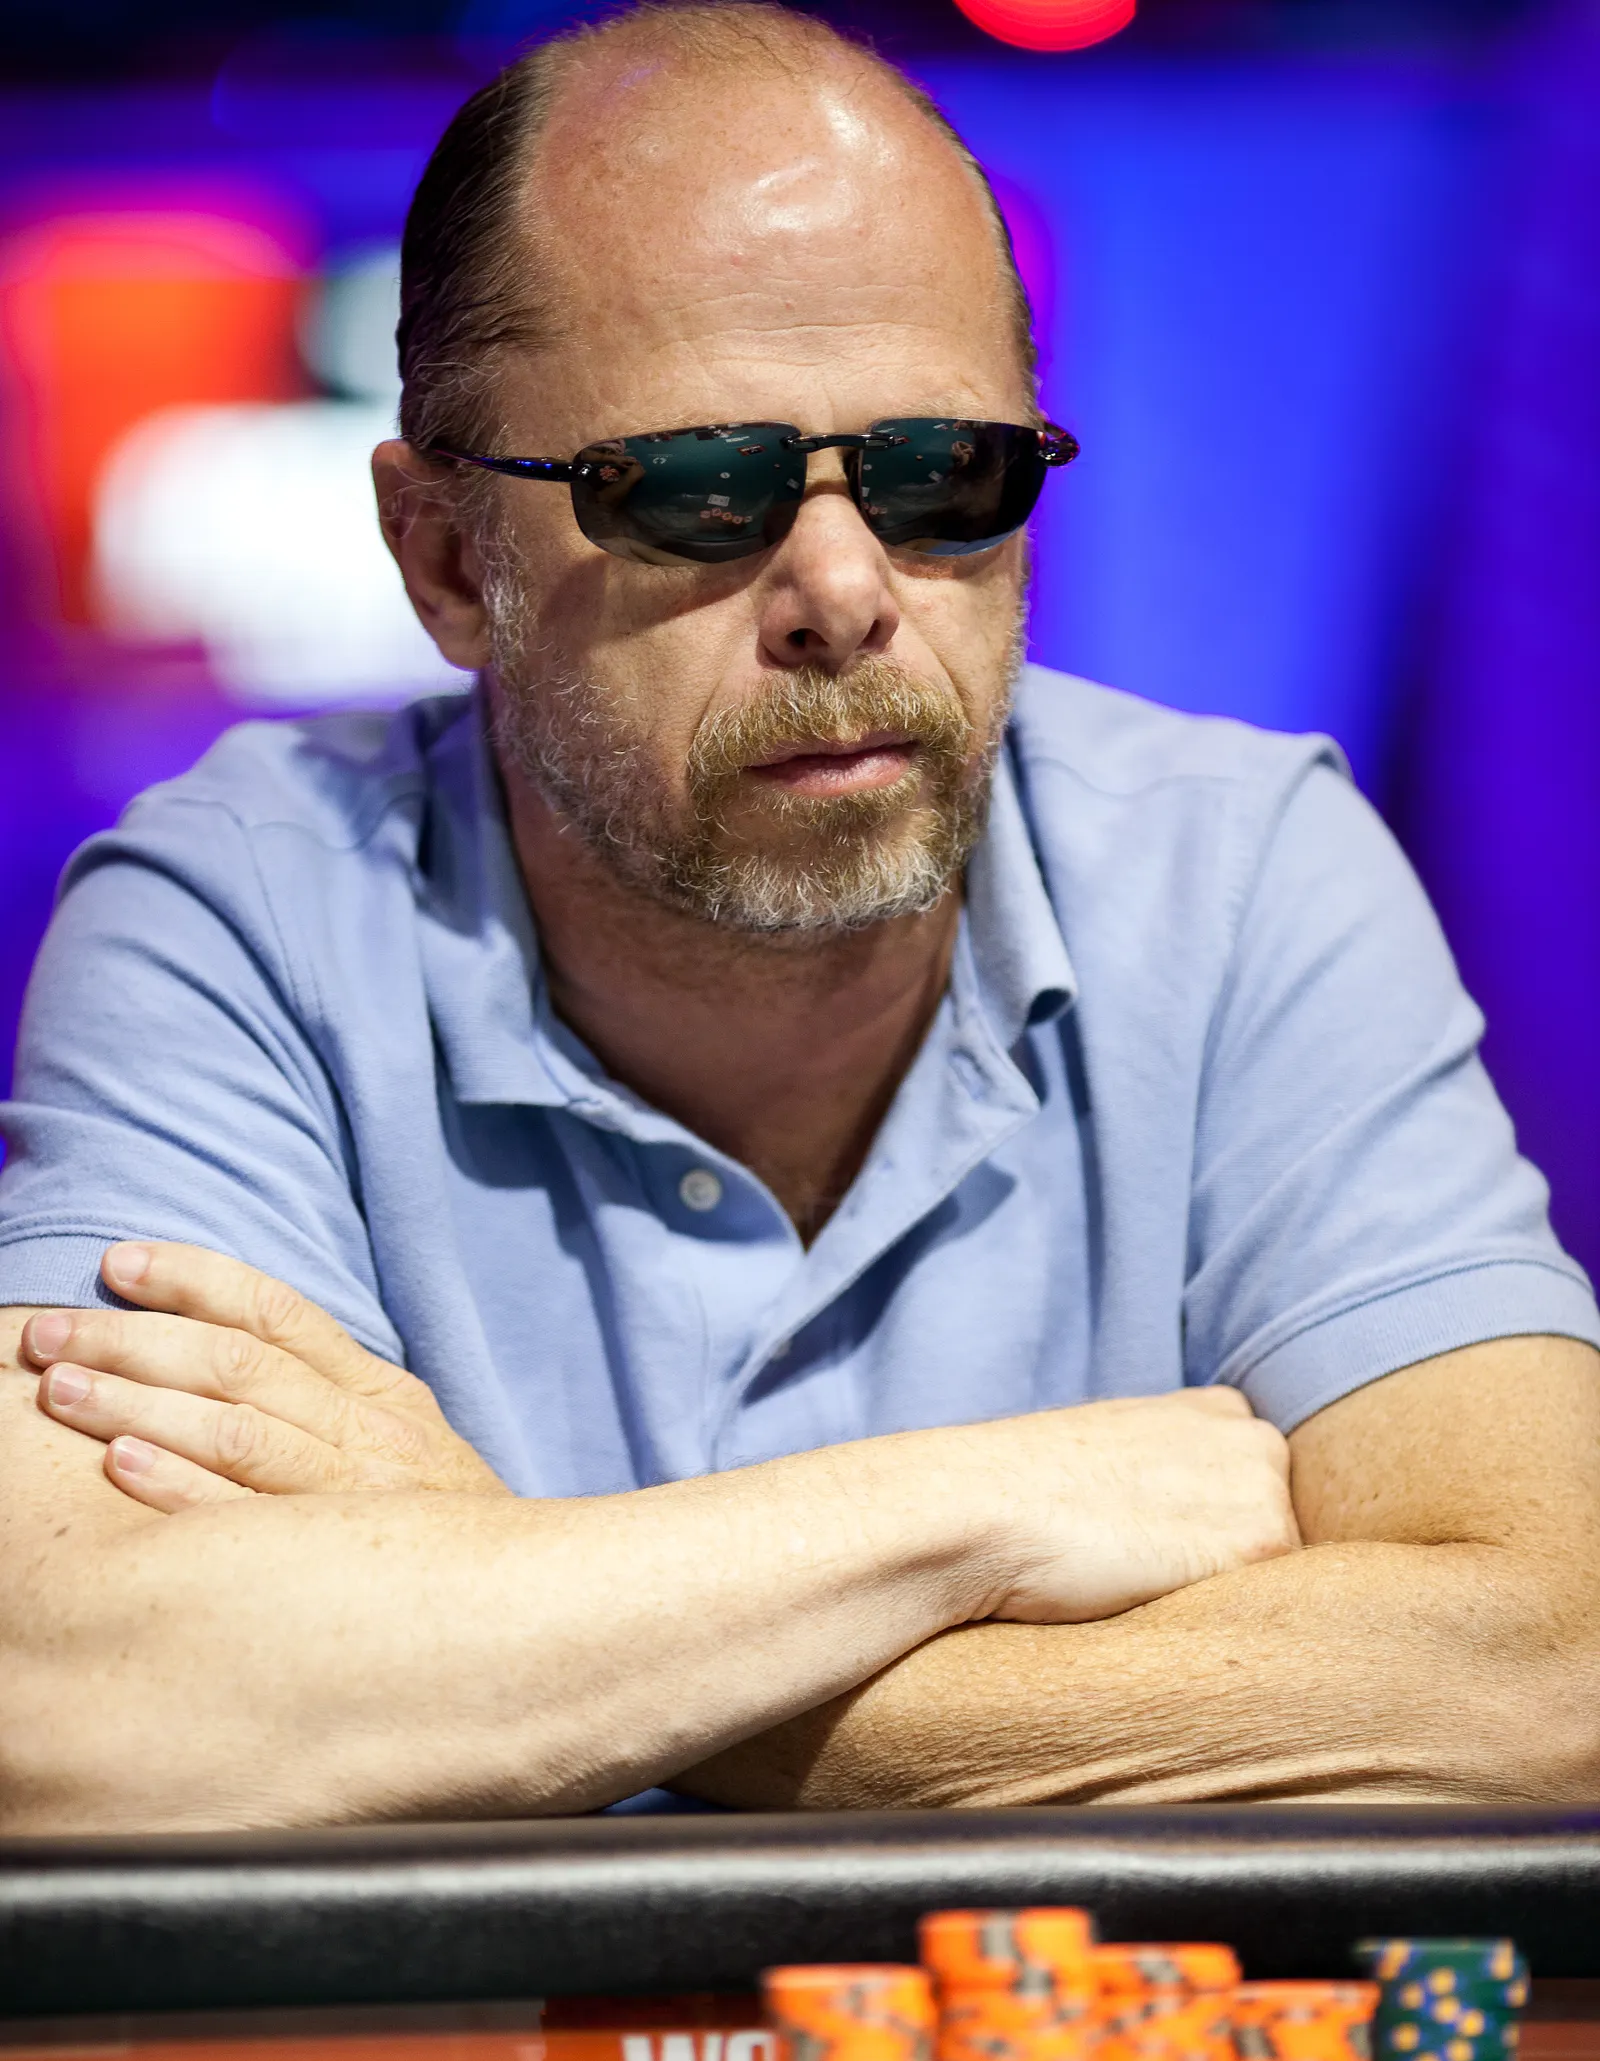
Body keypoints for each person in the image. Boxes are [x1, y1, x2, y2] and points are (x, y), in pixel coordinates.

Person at [1, 3, 1597, 1834]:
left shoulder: (1240, 872)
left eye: (944, 476)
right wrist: (986, 1511)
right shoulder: (241, 912)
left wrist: (504, 1595)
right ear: (445, 558)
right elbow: (66, 1707)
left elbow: (1555, 1669)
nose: (844, 590)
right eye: (698, 490)